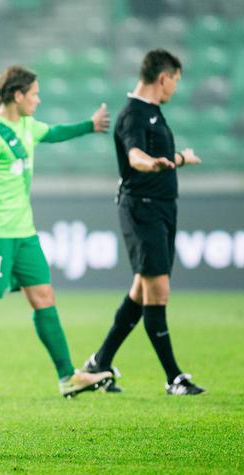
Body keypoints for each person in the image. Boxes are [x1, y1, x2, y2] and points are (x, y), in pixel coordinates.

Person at [0, 65, 113, 399]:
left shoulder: (26, 125)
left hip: (24, 234)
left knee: (44, 297)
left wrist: (89, 126)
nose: (39, 99)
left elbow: (54, 133)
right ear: (17, 95)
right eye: (34, 93)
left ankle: (67, 376)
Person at [81, 49, 205, 395]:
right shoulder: (133, 114)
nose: (175, 88)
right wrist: (146, 162)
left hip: (163, 207)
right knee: (158, 289)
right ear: (163, 77)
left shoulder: (154, 113)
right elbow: (135, 154)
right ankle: (173, 377)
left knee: (141, 290)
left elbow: (154, 157)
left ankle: (99, 364)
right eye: (175, 81)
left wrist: (177, 160)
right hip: (142, 208)